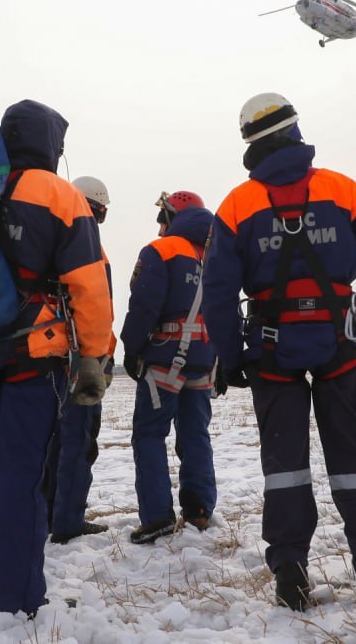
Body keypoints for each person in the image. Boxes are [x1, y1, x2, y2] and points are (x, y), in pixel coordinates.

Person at [201, 92, 356, 610]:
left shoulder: (236, 205)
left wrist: (230, 358)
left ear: (250, 142)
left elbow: (218, 292)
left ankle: (291, 581)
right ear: (296, 131)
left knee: (285, 468)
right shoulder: (341, 189)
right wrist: (337, 247)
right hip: (339, 346)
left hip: (271, 355)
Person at [0, 99, 112, 615]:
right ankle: (14, 595)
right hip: (33, 358)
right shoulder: (60, 196)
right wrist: (92, 359)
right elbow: (88, 285)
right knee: (21, 472)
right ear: (50, 145)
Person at [121, 190, 218, 545]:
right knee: (195, 435)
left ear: (174, 217)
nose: (159, 225)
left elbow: (144, 305)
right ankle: (199, 511)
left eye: (163, 217)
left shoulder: (159, 251)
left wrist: (131, 349)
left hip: (164, 358)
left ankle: (158, 517)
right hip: (205, 361)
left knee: (148, 434)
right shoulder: (216, 255)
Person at [43, 175, 117, 544]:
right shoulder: (91, 253)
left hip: (47, 356)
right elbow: (97, 310)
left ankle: (47, 513)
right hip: (81, 358)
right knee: (78, 441)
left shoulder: (48, 245)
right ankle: (67, 521)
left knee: (54, 441)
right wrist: (100, 358)